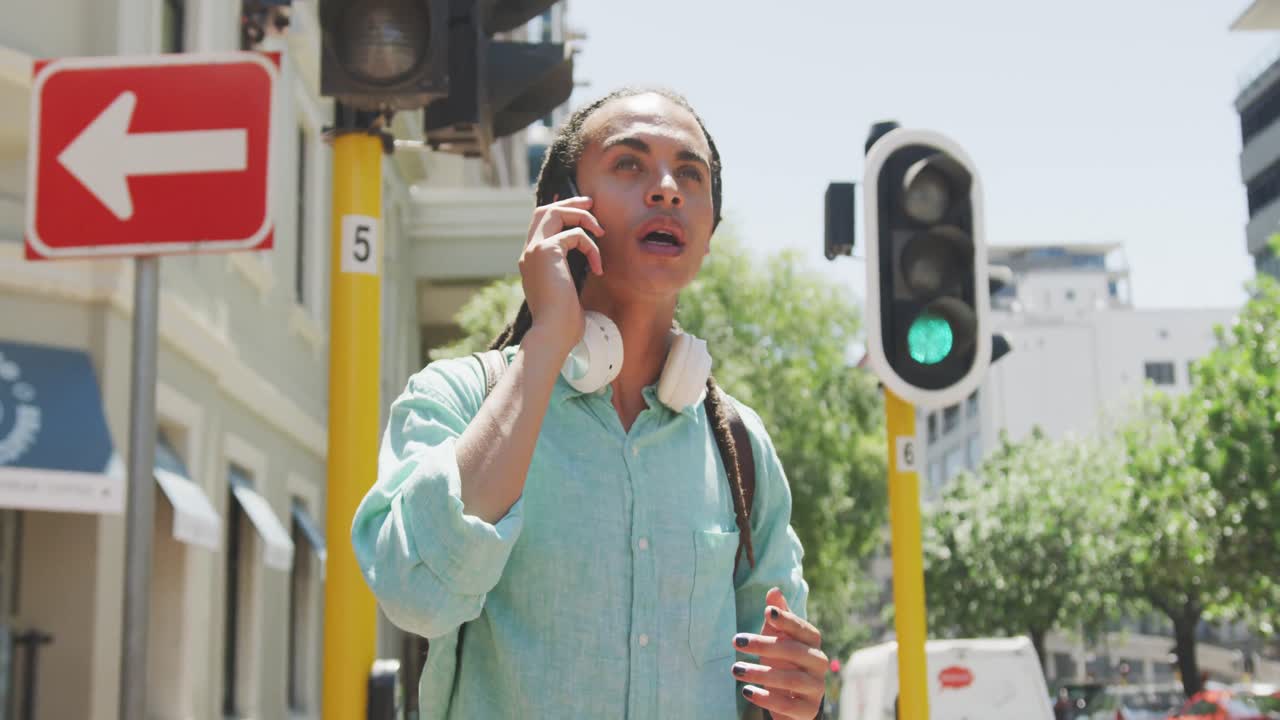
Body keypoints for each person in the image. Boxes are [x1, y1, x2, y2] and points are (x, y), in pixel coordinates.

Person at [352, 87, 827, 719]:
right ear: (562, 210)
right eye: (630, 163)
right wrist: (547, 341)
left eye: (690, 174)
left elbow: (774, 685)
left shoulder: (740, 445)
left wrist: (799, 694)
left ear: (709, 231)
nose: (667, 189)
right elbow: (417, 596)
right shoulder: (456, 399)